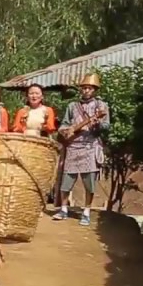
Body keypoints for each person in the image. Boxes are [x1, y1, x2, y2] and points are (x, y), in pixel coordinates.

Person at [55, 73, 111, 226]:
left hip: (90, 146)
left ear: (95, 90)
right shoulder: (72, 106)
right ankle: (64, 209)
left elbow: (106, 126)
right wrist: (65, 131)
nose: (86, 90)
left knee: (89, 183)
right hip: (73, 146)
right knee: (67, 180)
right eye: (84, 88)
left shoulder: (101, 106)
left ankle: (86, 211)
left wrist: (96, 124)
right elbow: (64, 124)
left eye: (89, 88)